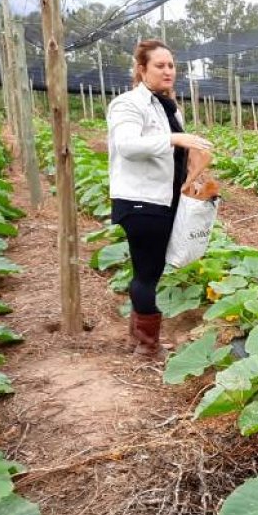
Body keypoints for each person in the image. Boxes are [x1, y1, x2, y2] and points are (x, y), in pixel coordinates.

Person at [107, 39, 212, 357]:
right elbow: (127, 145)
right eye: (159, 65)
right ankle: (147, 346)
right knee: (147, 271)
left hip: (163, 199)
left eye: (171, 65)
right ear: (141, 70)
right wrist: (173, 138)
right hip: (141, 202)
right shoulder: (127, 104)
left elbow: (175, 153)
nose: (168, 71)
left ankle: (139, 339)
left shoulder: (168, 106)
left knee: (149, 271)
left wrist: (194, 165)